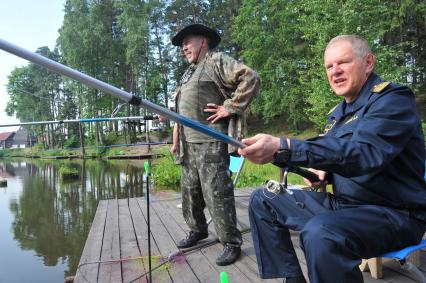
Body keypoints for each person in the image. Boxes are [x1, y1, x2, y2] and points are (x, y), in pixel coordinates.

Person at [238, 35, 426, 283]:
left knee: (321, 234)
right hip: (345, 207)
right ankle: (293, 279)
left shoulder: (392, 100)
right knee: (264, 199)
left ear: (368, 62)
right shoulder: (336, 116)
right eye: (329, 66)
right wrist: (321, 170)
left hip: (394, 214)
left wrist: (284, 145)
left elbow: (364, 153)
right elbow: (335, 152)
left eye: (343, 63)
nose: (335, 72)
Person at [170, 23, 260, 266]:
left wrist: (229, 107)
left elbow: (250, 77)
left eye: (188, 41)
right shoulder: (188, 73)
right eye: (181, 44)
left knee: (216, 193)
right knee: (191, 193)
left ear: (203, 41)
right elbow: (182, 109)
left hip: (211, 141)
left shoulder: (216, 61)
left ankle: (231, 242)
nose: (183, 47)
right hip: (189, 145)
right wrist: (176, 138)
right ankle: (198, 230)